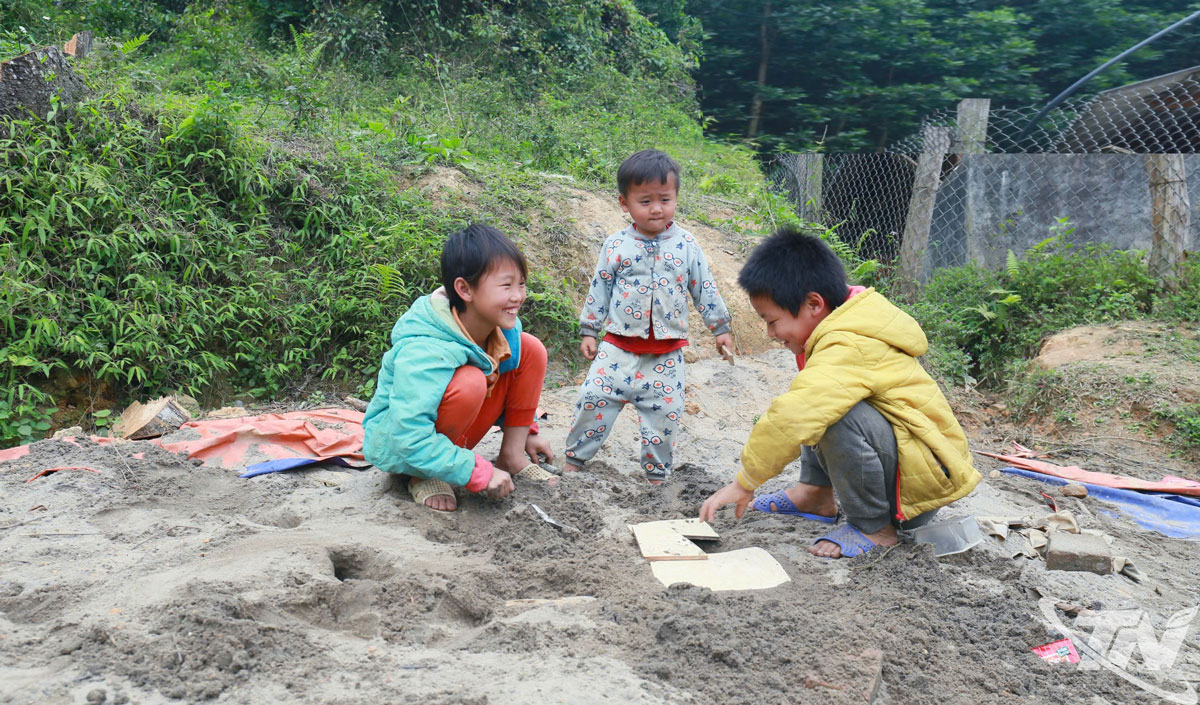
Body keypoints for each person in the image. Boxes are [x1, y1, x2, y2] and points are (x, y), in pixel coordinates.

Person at [699, 226, 981, 557]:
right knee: (817, 397)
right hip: (908, 465)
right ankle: (814, 494)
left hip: (918, 487)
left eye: (772, 321)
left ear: (813, 304)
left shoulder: (849, 342)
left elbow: (794, 416)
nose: (770, 332)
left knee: (825, 411)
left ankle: (875, 529)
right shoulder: (839, 325)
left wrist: (744, 482)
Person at [563, 149, 734, 484]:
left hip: (666, 356)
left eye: (665, 199)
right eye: (645, 201)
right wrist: (589, 330)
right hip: (616, 350)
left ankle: (657, 478)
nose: (656, 208)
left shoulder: (687, 244)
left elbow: (704, 286)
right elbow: (600, 288)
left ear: (676, 198)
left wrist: (720, 328)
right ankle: (573, 464)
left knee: (664, 415)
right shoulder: (615, 245)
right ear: (624, 203)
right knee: (593, 399)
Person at [362, 224, 556, 512]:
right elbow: (408, 436)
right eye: (506, 285)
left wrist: (526, 429)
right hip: (408, 446)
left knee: (530, 349)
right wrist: (478, 471)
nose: (518, 296)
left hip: (458, 431)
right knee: (471, 381)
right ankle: (422, 475)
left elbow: (507, 381)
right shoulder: (425, 349)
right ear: (464, 289)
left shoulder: (500, 326)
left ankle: (512, 456)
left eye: (522, 284)